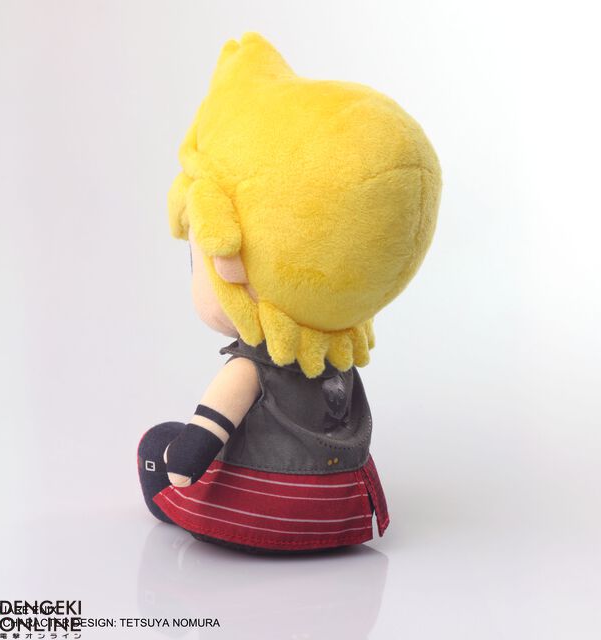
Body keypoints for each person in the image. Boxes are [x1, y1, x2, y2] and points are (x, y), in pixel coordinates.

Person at [138, 32, 441, 552]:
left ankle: (189, 500)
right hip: (346, 509)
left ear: (230, 258)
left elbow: (198, 444)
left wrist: (176, 461)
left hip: (269, 511)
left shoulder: (250, 367)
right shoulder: (336, 358)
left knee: (157, 446)